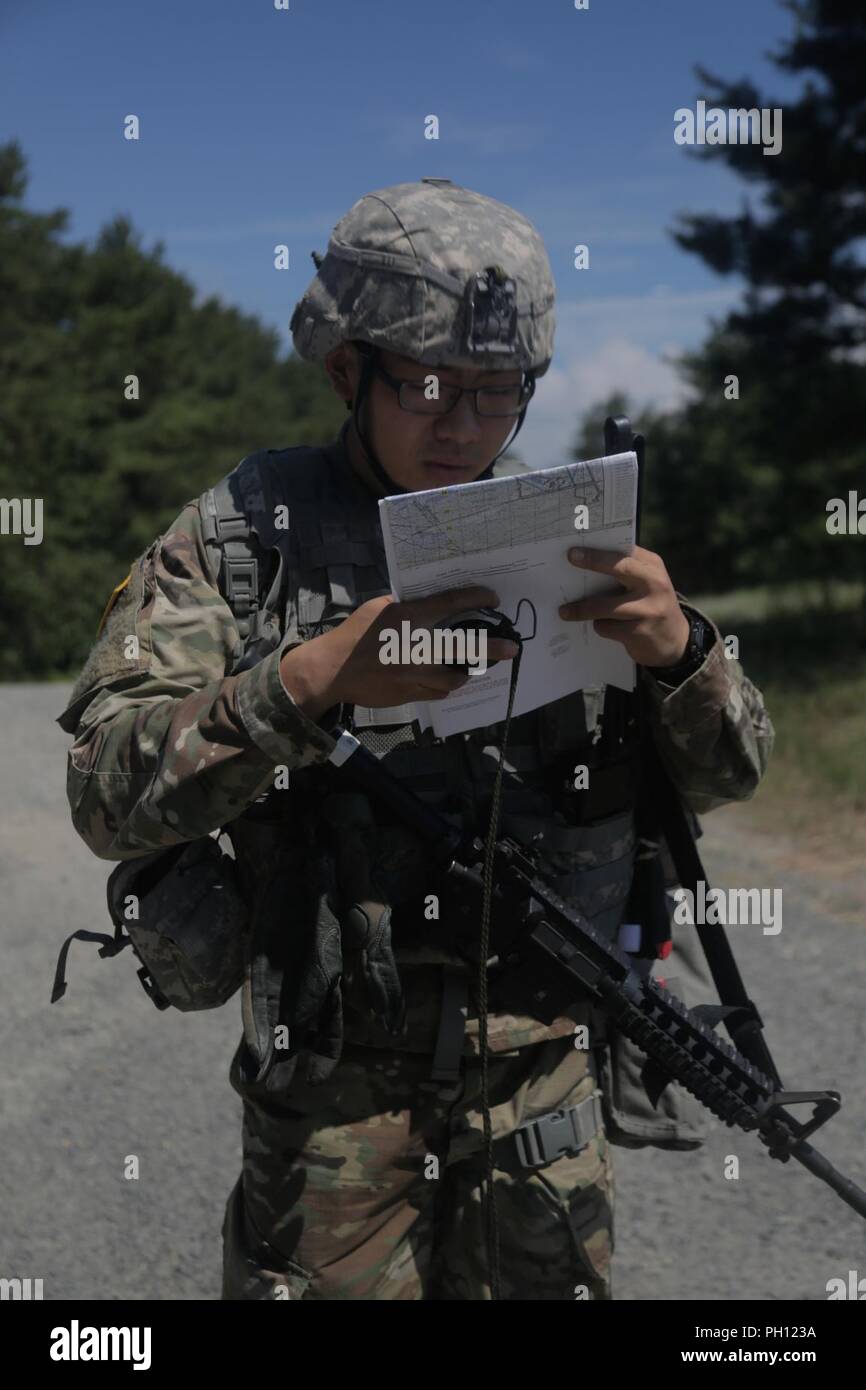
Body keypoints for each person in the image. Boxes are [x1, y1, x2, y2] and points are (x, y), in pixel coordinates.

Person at [58, 177, 774, 1300]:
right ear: (348, 369)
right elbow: (105, 791)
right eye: (430, 387)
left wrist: (680, 655)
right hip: (335, 1089)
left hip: (544, 1085)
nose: (465, 428)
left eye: (502, 395)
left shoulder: (567, 533)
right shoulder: (253, 533)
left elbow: (729, 776)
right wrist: (307, 681)